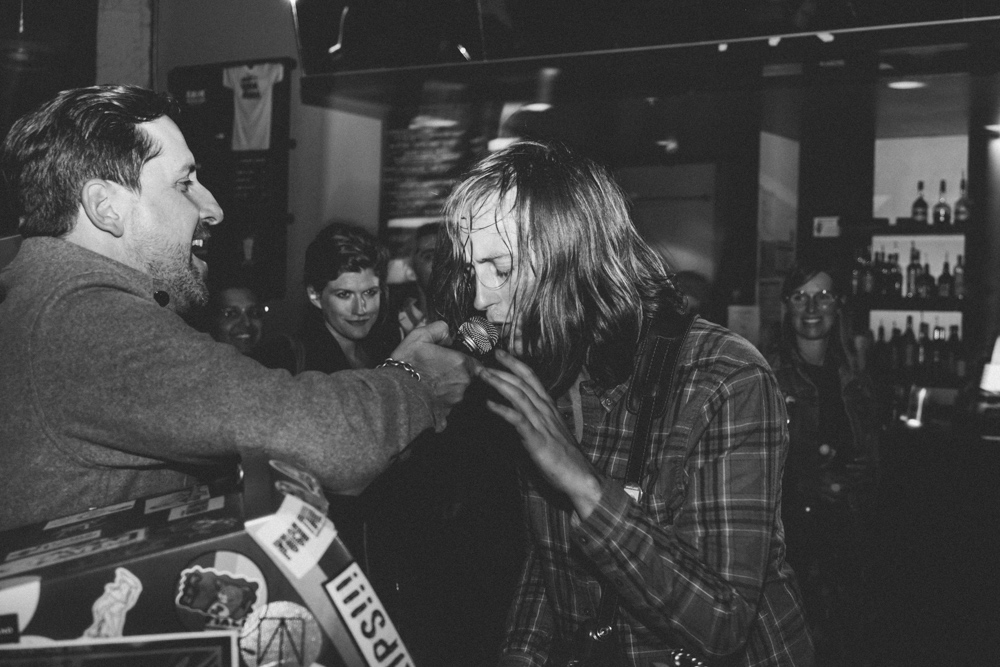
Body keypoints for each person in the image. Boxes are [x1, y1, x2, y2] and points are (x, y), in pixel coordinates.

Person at [0, 85, 478, 533]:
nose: (212, 209)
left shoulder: (42, 297)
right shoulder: (85, 318)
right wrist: (416, 381)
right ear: (106, 206)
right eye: (185, 183)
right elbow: (333, 443)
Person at [435, 140, 813, 666]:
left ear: (571, 259)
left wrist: (585, 485)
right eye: (474, 272)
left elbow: (723, 622)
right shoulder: (543, 371)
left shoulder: (724, 376)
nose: (480, 299)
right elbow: (551, 568)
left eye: (499, 267)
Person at [766, 262, 880, 666]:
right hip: (792, 539)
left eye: (823, 295)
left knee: (850, 642)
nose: (812, 306)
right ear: (786, 307)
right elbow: (760, 464)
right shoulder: (766, 374)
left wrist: (847, 484)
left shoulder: (855, 373)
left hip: (850, 532)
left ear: (838, 306)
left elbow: (872, 455)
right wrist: (811, 483)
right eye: (800, 296)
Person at [298, 221, 399, 374]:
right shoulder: (298, 359)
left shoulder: (386, 350)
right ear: (315, 296)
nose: (360, 309)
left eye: (370, 292)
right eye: (344, 295)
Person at [397, 221, 441, 335]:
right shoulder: (395, 325)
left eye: (449, 255)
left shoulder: (475, 323)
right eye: (429, 256)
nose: (442, 263)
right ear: (411, 270)